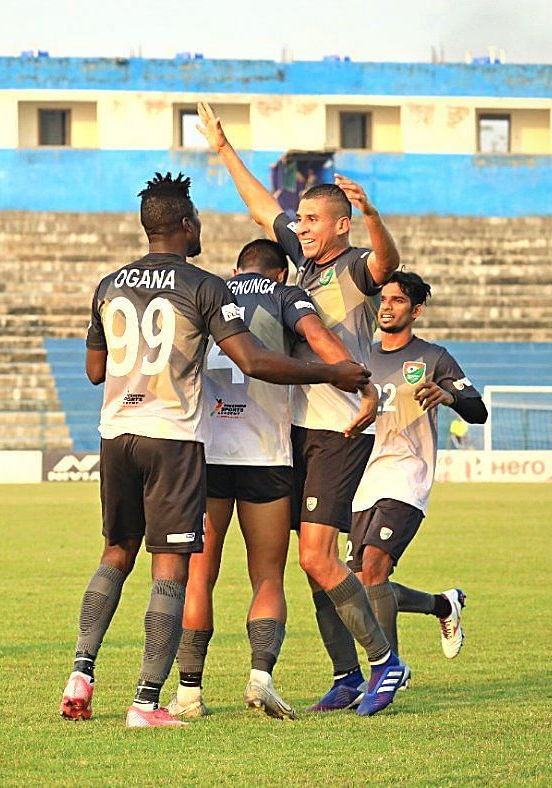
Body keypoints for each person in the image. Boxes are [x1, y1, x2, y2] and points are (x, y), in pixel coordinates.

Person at [59, 172, 371, 728]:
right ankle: (148, 703)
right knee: (180, 570)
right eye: (197, 217)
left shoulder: (108, 285)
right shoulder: (206, 286)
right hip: (179, 438)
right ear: (185, 225)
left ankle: (85, 673)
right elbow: (253, 361)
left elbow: (93, 370)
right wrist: (334, 373)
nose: (201, 225)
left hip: (116, 434)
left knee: (115, 555)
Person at [196, 101, 407, 716]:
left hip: (339, 429)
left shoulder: (353, 268)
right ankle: (345, 677)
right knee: (313, 561)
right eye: (303, 220)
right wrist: (223, 148)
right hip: (295, 434)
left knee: (315, 556)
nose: (302, 226)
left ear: (341, 225)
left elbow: (387, 263)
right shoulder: (299, 266)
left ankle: (385, 664)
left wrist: (373, 215)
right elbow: (264, 207)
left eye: (314, 219)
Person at [168, 239, 376, 721]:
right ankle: (260, 676)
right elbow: (318, 337)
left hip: (208, 453)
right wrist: (355, 379)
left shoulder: (208, 290)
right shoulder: (283, 294)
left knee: (200, 575)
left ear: (237, 267)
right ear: (281, 273)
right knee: (267, 575)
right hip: (266, 455)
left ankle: (189, 693)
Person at [345, 271, 487, 667]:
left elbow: (478, 411)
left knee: (374, 566)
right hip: (362, 477)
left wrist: (448, 396)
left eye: (397, 301)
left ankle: (386, 672)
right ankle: (442, 605)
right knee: (362, 583)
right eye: (383, 300)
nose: (387, 307)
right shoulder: (361, 355)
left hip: (408, 474)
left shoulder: (433, 357)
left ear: (417, 310)